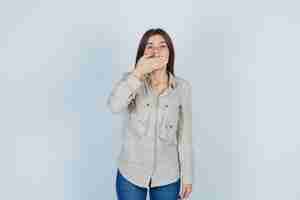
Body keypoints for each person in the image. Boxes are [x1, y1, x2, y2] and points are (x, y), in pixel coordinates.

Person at [107, 28, 193, 200]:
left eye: (162, 46)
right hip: (130, 174)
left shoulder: (182, 88)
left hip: (167, 176)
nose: (156, 51)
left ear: (170, 53)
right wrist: (137, 73)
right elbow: (114, 106)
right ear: (142, 54)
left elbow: (185, 136)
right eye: (150, 46)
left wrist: (187, 177)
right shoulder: (131, 81)